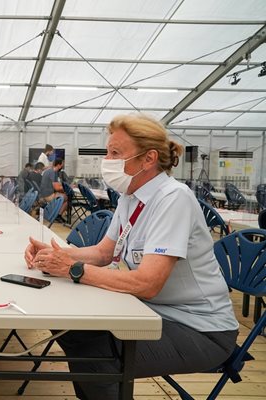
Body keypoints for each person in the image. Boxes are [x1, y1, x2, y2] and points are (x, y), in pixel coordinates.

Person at [24, 114, 238, 399]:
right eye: (108, 152)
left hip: (200, 329)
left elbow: (148, 283)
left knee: (95, 355)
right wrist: (55, 254)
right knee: (70, 328)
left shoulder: (173, 198)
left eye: (115, 153)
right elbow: (103, 252)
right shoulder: (131, 196)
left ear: (148, 159)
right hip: (155, 313)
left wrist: (73, 268)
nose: (107, 160)